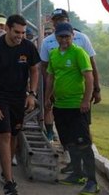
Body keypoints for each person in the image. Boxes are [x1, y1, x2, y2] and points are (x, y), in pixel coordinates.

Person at [0, 14, 40, 195]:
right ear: (6, 28)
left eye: (23, 32)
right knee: (4, 134)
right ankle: (10, 182)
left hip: (18, 98)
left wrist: (32, 94)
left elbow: (35, 70)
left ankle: (6, 171)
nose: (20, 36)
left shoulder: (28, 47)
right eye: (16, 32)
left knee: (14, 135)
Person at [44, 22, 98, 194]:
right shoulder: (53, 54)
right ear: (56, 37)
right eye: (61, 36)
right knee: (69, 142)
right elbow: (51, 78)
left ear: (73, 36)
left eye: (67, 36)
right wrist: (46, 99)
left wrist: (85, 100)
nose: (64, 39)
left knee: (83, 144)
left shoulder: (79, 53)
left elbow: (89, 78)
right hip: (60, 106)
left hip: (77, 107)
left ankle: (92, 182)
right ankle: (77, 173)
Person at [40, 8, 101, 143]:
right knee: (65, 131)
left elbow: (92, 67)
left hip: (80, 96)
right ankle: (71, 161)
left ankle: (86, 161)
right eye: (56, 20)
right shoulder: (48, 42)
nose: (58, 23)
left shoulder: (82, 39)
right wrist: (50, 93)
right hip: (60, 98)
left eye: (61, 20)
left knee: (83, 131)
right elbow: (45, 69)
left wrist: (96, 90)